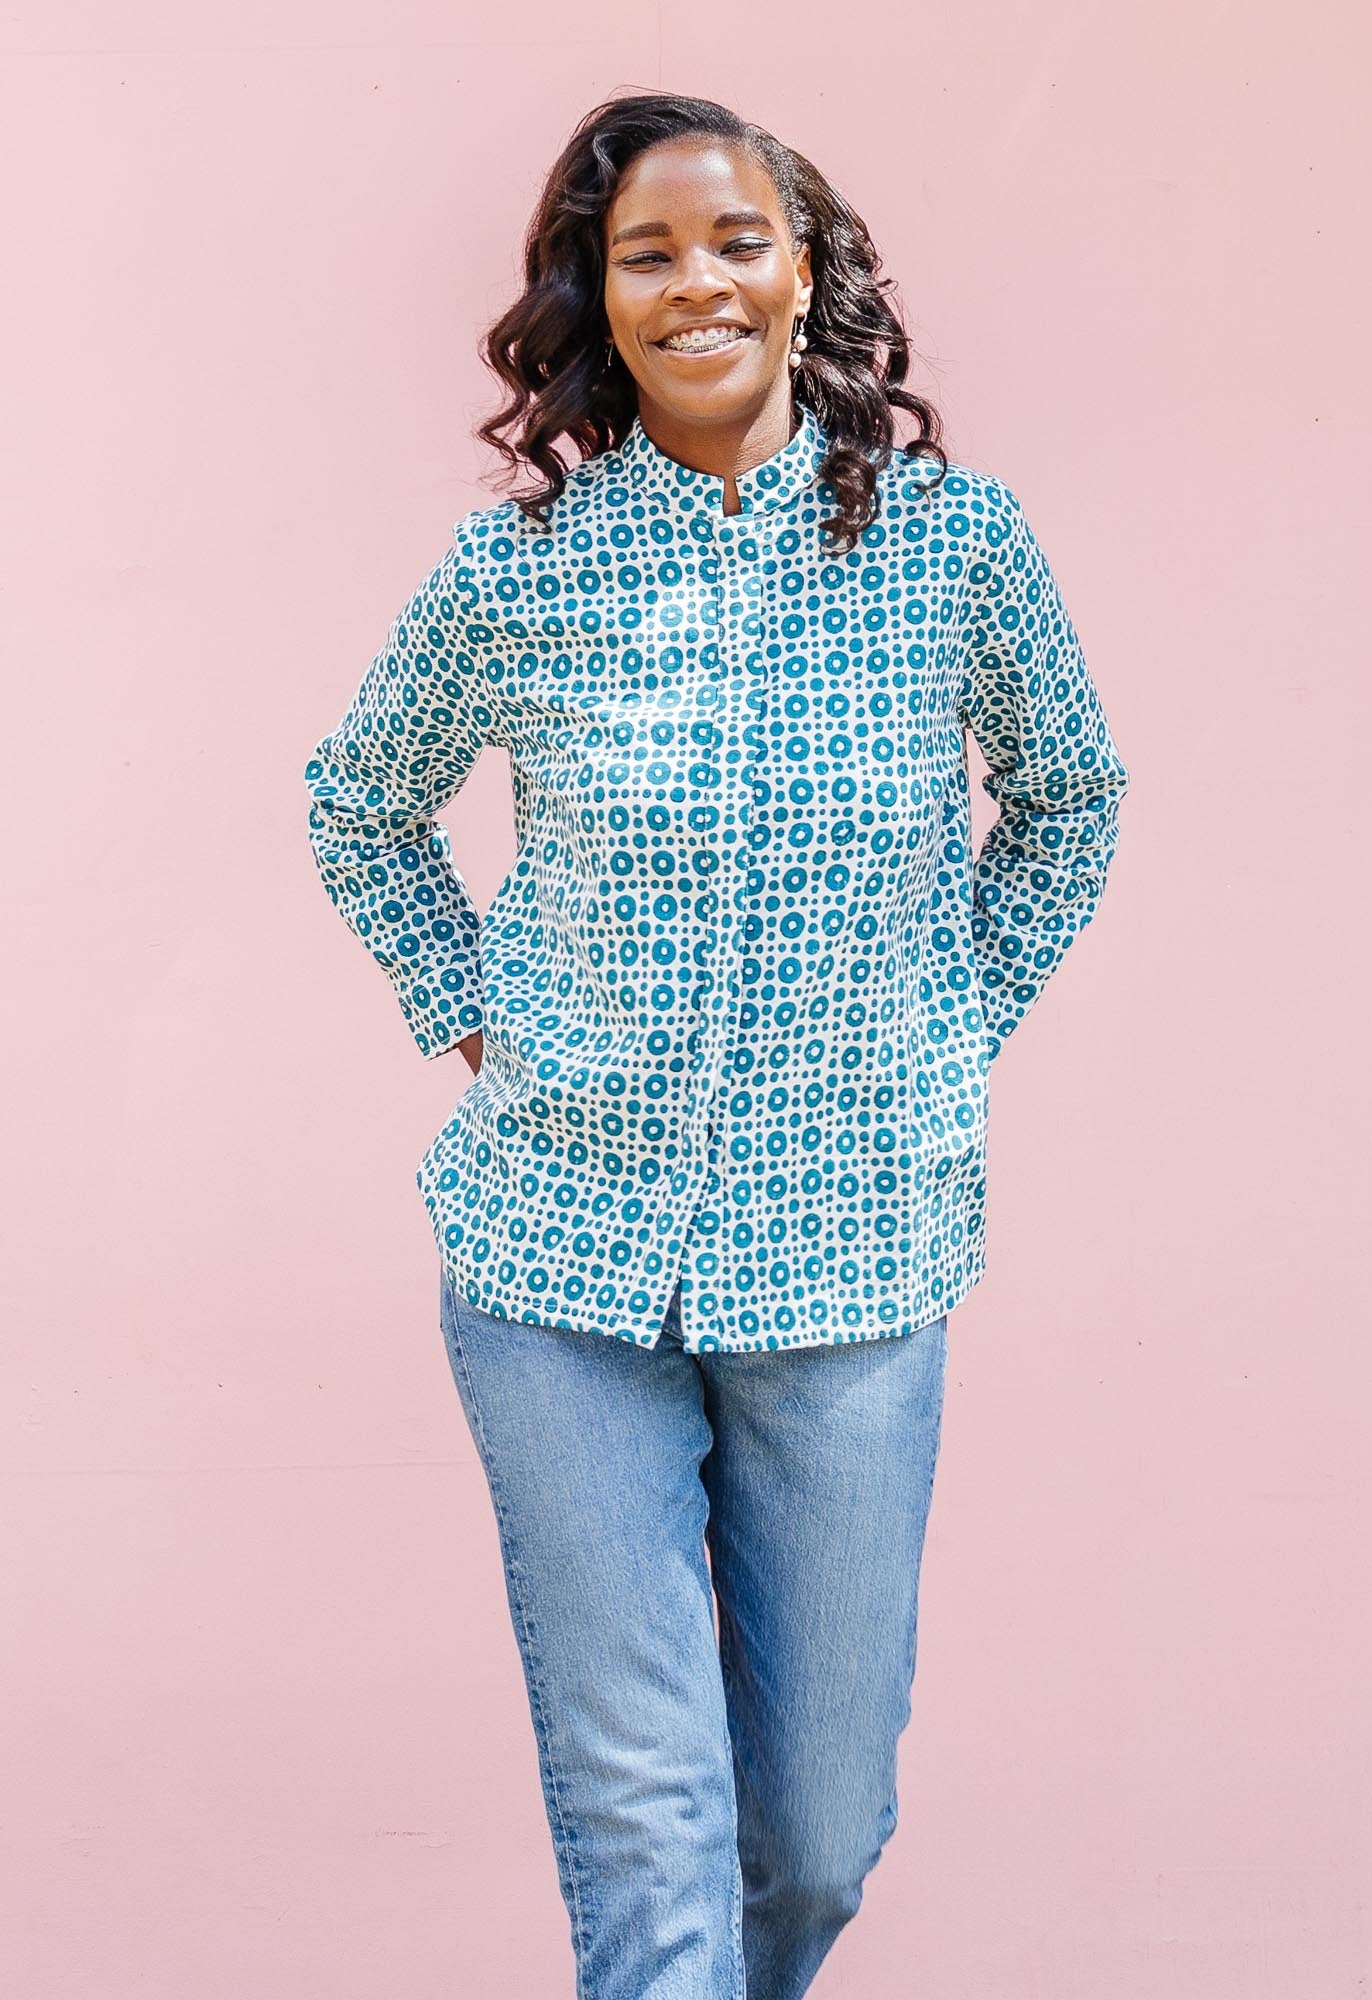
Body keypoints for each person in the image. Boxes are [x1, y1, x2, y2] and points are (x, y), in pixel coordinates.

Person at [303, 88, 1131, 2000]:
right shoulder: (520, 570)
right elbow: (360, 803)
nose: (694, 283)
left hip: (852, 1255)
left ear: (806, 274)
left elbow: (1070, 796)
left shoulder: (956, 548)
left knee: (813, 1838)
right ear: (596, 304)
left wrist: (954, 1024)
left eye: (734, 241)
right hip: (555, 1257)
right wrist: (471, 1009)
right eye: (645, 252)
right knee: (640, 1812)